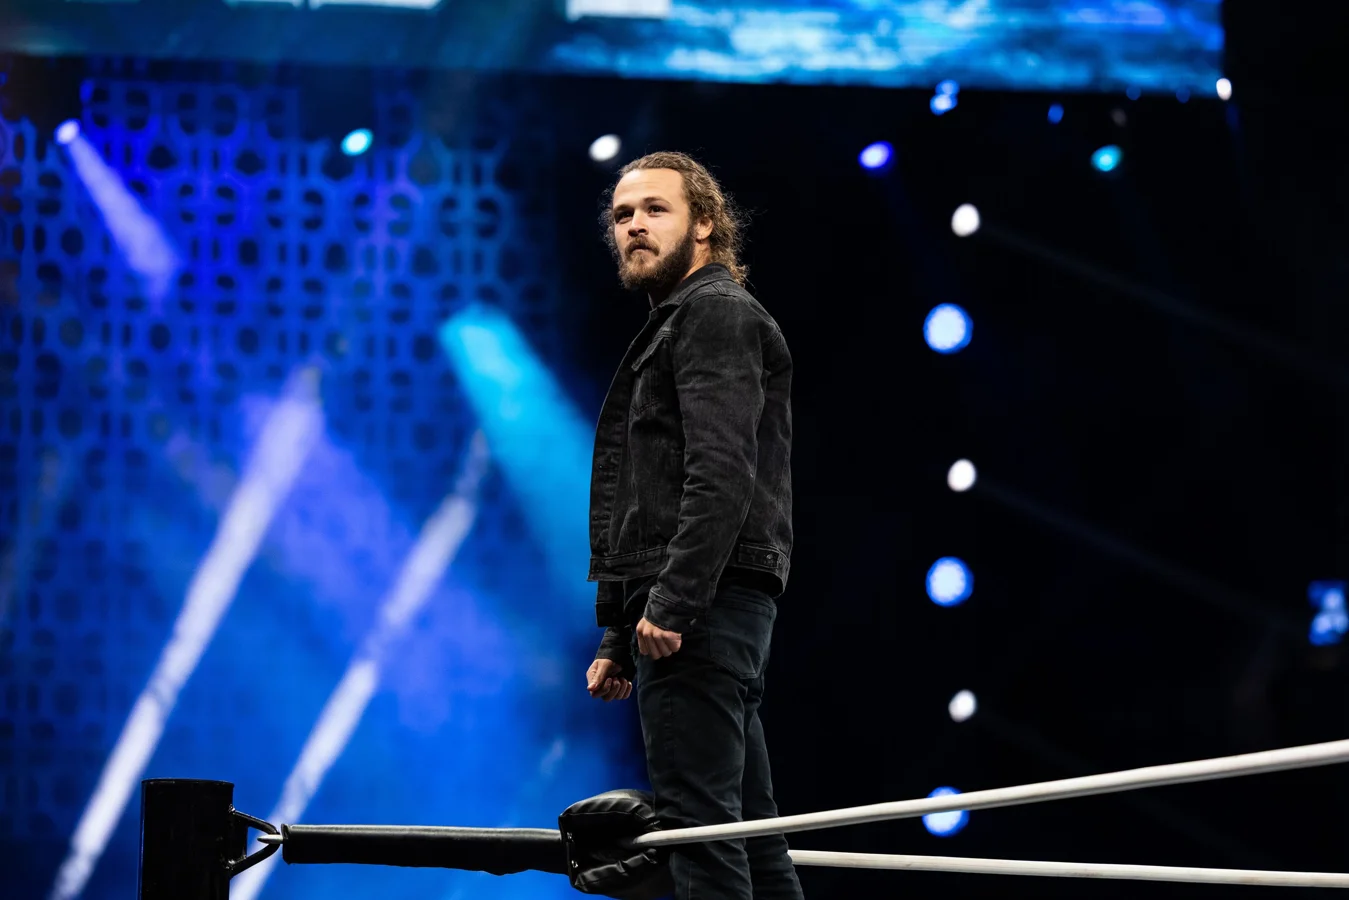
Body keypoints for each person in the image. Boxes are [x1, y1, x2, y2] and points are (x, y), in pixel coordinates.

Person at [583, 151, 804, 900]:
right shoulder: (684, 319)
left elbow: (720, 473)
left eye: (655, 209)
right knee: (746, 836)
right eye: (622, 215)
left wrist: (672, 603)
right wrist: (619, 634)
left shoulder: (712, 313)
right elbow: (649, 495)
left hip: (701, 605)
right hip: (708, 603)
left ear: (705, 225)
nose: (634, 226)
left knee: (701, 836)